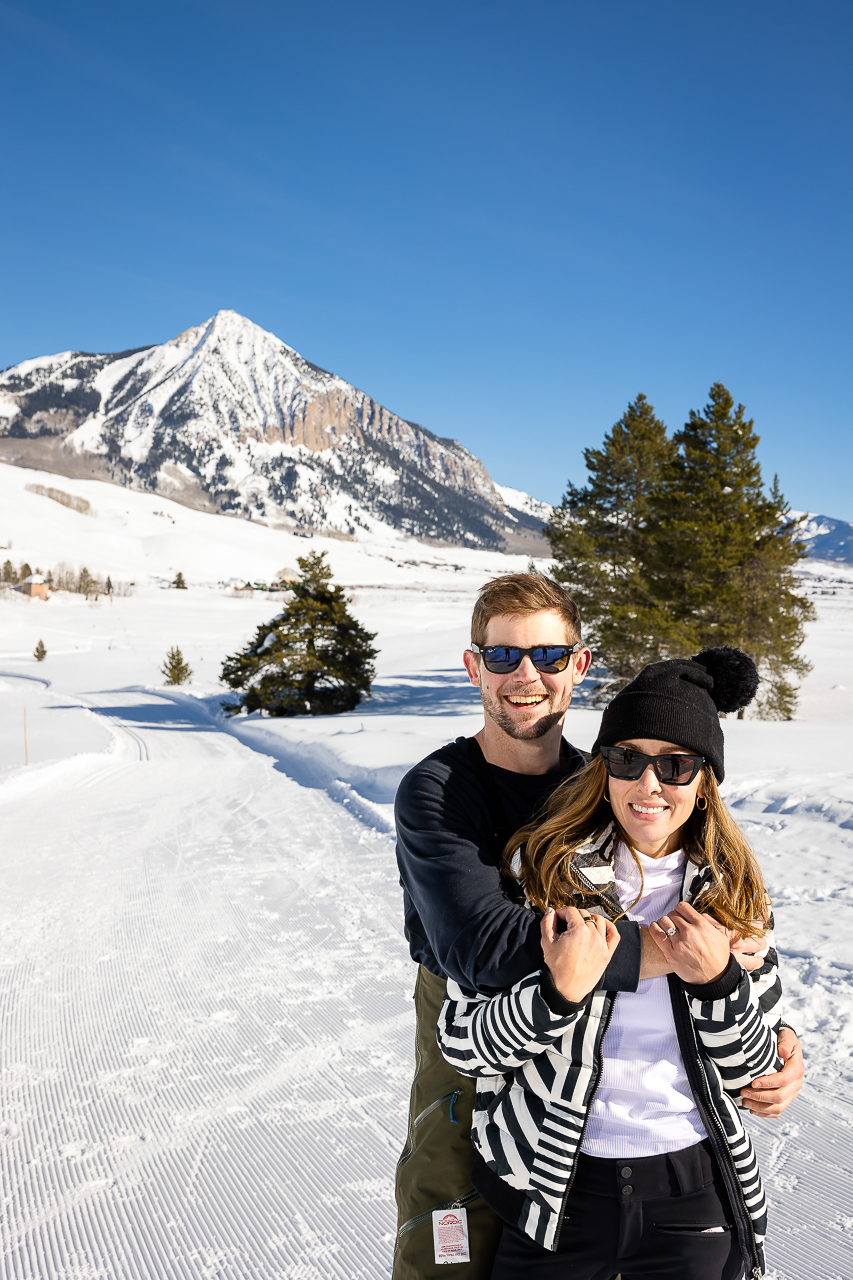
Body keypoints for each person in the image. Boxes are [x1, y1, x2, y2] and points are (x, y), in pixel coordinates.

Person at [393, 576, 803, 1279]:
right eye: (503, 657)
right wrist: (679, 957)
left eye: (549, 656)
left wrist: (763, 1023)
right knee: (449, 1236)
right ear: (474, 666)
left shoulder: (600, 789)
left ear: (577, 666)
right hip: (474, 1042)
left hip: (653, 1164)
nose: (527, 676)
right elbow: (478, 948)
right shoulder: (441, 789)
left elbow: (742, 1000)